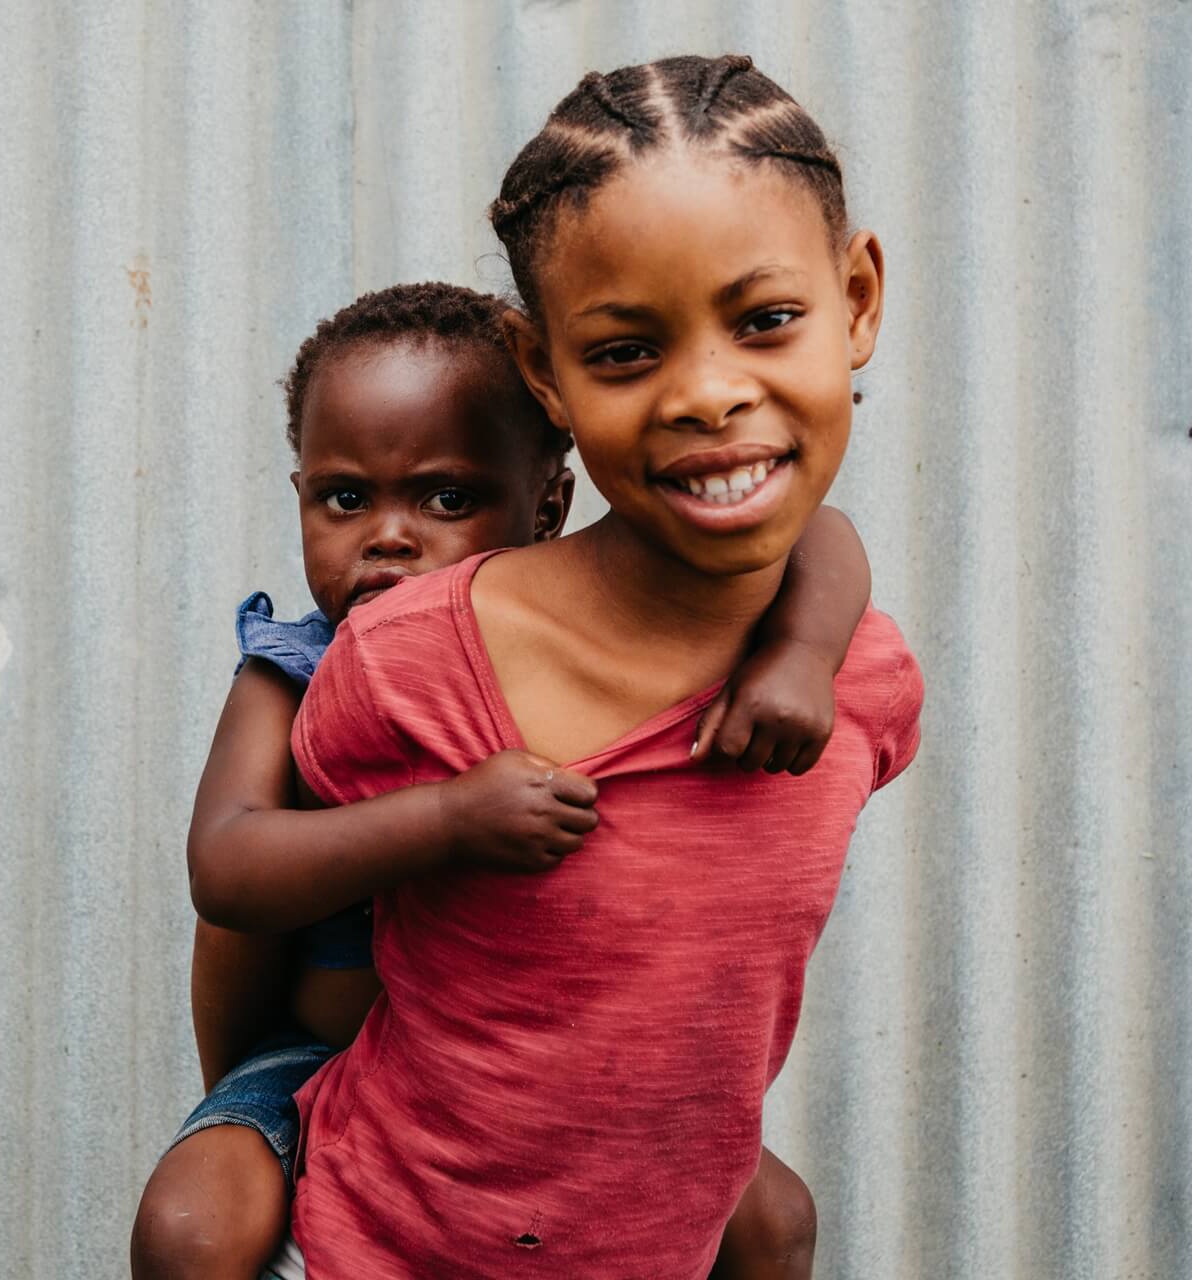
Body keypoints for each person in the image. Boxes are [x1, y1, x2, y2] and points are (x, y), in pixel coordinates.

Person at [275, 55, 924, 1277]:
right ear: (543, 372)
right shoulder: (408, 663)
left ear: (858, 297)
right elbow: (253, 915)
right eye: (627, 352)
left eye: (768, 319)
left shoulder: (862, 686)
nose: (710, 393)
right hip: (379, 1243)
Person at [131, 277, 874, 1279]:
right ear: (300, 493)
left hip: (564, 1095)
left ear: (549, 504)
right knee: (191, 1225)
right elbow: (225, 864)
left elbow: (809, 529)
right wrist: (445, 818)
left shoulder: (581, 643)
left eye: (448, 497)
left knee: (774, 1218)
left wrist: (803, 650)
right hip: (326, 1068)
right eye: (345, 498)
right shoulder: (293, 671)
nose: (389, 535)